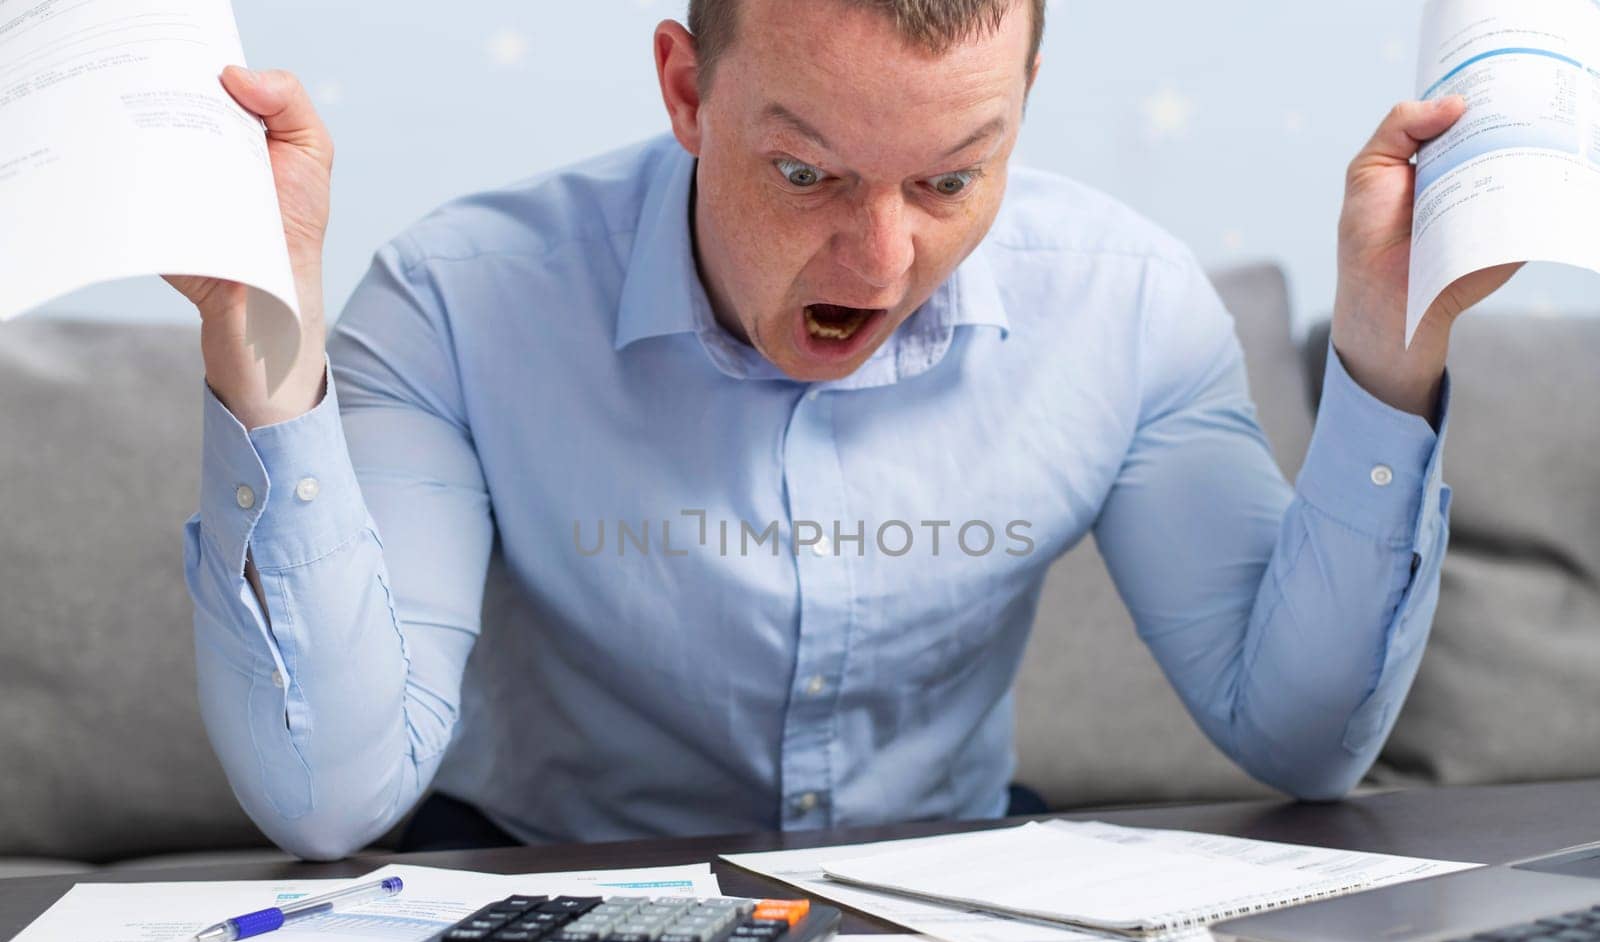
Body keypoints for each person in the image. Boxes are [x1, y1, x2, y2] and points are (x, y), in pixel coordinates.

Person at [169, 0, 1516, 860]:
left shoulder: (1124, 302)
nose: (879, 261)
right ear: (687, 91)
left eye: (950, 177)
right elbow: (329, 800)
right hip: (551, 882)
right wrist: (264, 343)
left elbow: (1302, 743)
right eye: (804, 171)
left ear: (1027, 94)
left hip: (950, 886)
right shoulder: (458, 301)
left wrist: (1391, 372)